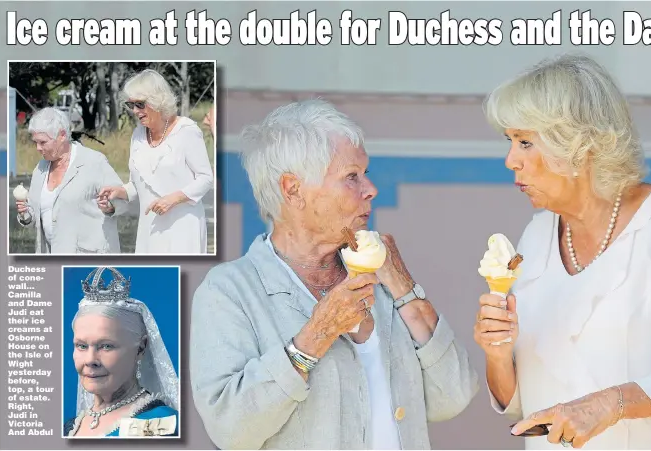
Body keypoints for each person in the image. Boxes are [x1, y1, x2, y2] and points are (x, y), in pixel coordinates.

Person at [190, 99, 479, 450]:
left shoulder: (383, 277)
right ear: (293, 190)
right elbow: (231, 430)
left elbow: (455, 395)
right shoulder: (230, 292)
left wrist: (404, 286)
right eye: (351, 177)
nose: (370, 190)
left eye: (365, 174)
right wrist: (317, 334)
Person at [474, 54, 651, 449]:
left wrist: (607, 405)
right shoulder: (534, 238)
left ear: (578, 145)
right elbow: (520, 402)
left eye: (525, 142)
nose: (510, 160)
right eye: (510, 141)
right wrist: (497, 353)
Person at [99, 69, 214, 254]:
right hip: (149, 229)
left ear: (157, 100)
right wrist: (119, 191)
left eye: (140, 104)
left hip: (183, 228)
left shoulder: (186, 131)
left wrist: (173, 198)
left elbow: (206, 179)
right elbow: (139, 184)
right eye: (131, 105)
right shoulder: (137, 136)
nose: (135, 111)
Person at [64, 267, 180, 438]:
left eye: (106, 346)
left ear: (141, 348)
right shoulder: (71, 427)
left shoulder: (161, 424)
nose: (90, 360)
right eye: (81, 346)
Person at [14, 107, 128, 254]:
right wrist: (25, 213)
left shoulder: (93, 161)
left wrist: (110, 206)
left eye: (43, 142)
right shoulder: (41, 168)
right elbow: (36, 215)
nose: (38, 148)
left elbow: (122, 199)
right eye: (35, 142)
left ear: (62, 135)